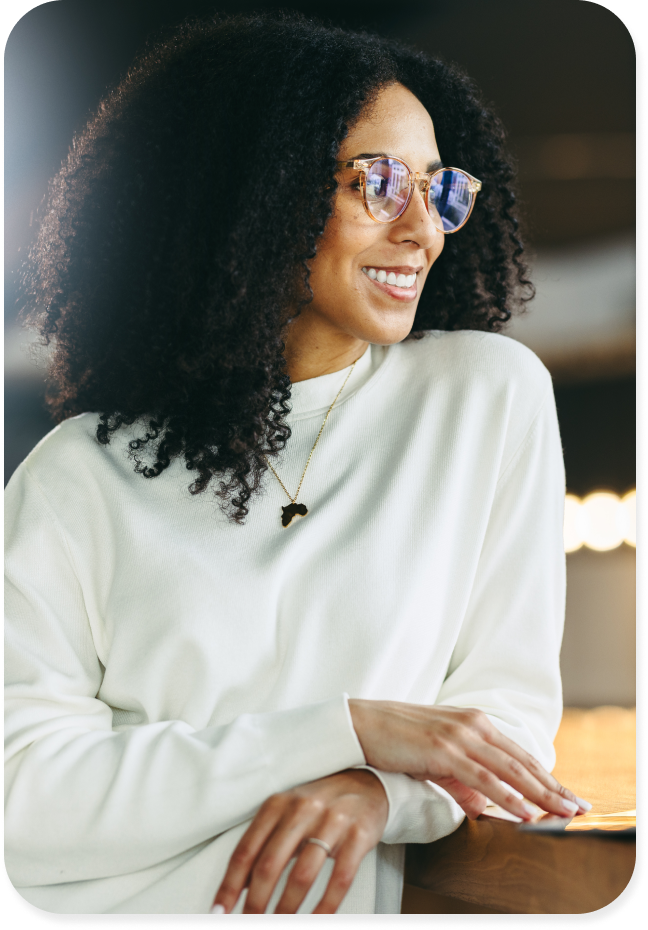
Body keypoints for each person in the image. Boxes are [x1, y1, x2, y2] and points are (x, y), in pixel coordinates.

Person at [5, 12, 590, 916]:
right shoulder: (74, 478)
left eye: (438, 191)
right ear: (256, 190)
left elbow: (500, 734)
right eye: (380, 183)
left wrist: (377, 791)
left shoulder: (484, 399)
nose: (422, 232)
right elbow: (25, 804)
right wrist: (350, 731)